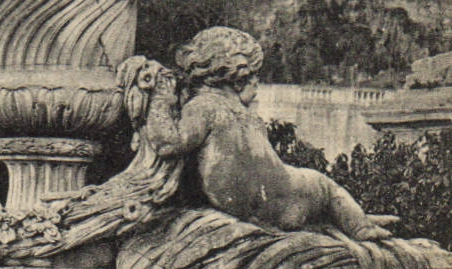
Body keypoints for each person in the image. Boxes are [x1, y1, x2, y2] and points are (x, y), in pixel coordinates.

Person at [144, 27, 389, 240]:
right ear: (238, 78)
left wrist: (161, 100)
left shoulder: (204, 108)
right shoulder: (243, 117)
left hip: (250, 203)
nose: (256, 82)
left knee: (320, 187)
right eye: (253, 75)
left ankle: (358, 221)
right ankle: (359, 224)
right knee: (324, 185)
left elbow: (168, 143)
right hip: (282, 199)